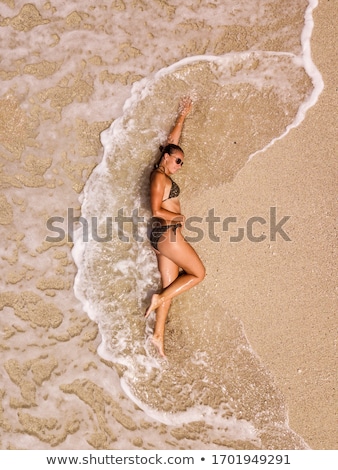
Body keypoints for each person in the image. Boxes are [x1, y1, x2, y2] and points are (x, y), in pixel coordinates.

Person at [145, 97, 205, 357]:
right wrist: (177, 220)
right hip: (166, 233)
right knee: (198, 273)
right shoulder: (159, 177)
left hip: (159, 238)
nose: (181, 165)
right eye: (178, 161)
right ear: (167, 159)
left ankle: (158, 335)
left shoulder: (163, 171)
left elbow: (173, 143)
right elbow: (156, 210)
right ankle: (157, 301)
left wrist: (183, 115)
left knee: (169, 284)